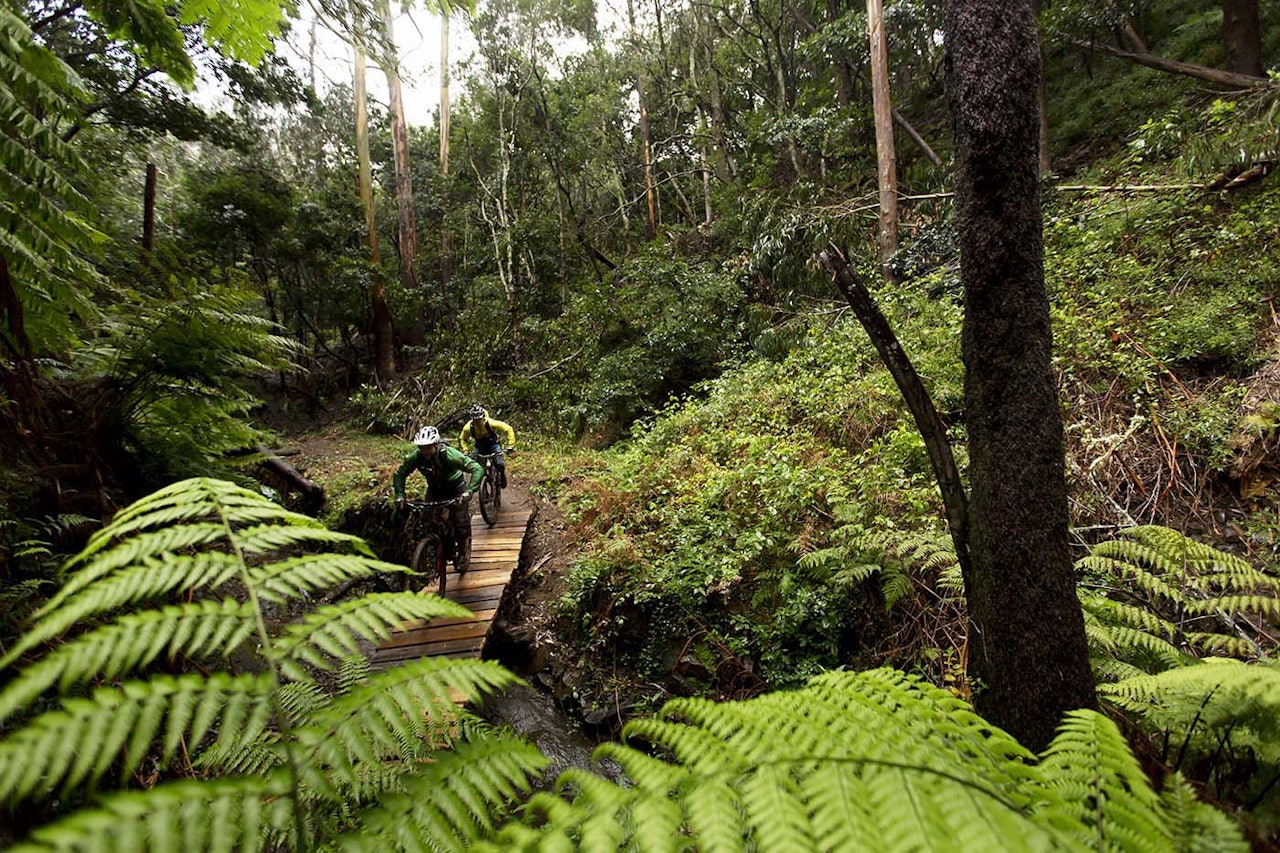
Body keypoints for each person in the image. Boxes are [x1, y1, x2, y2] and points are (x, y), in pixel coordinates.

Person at [392, 425, 484, 571]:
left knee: (460, 522)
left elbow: (477, 468)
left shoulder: (449, 455)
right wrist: (400, 495)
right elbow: (400, 473)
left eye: (428, 447)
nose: (425, 452)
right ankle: (438, 548)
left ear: (435, 445)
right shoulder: (415, 457)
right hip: (434, 489)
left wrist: (469, 491)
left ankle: (462, 552)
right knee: (427, 519)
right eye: (422, 448)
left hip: (456, 488)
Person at [458, 404, 516, 488]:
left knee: (499, 463)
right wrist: (465, 450)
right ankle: (479, 485)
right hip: (480, 447)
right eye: (475, 420)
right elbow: (462, 439)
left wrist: (510, 445)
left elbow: (508, 429)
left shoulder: (490, 423)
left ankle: (502, 476)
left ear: (483, 417)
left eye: (479, 419)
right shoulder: (468, 428)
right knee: (477, 468)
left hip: (493, 445)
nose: (477, 421)